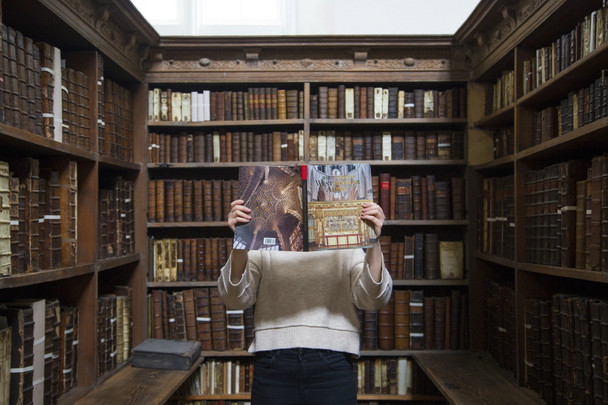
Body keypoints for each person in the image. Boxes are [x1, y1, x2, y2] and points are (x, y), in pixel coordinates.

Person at [218, 199, 393, 405]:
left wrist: (373, 238)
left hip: (332, 364)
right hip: (274, 365)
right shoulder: (265, 241)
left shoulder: (345, 242)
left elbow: (373, 300)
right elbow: (234, 298)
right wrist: (241, 238)